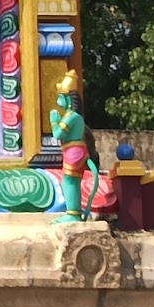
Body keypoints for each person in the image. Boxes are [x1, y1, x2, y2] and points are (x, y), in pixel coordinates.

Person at [49, 71, 97, 223]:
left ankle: (73, 213)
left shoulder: (72, 116)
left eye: (60, 97)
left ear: (68, 99)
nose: (58, 100)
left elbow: (57, 134)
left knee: (69, 181)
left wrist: (54, 121)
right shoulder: (74, 116)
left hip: (74, 152)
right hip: (74, 151)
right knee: (72, 181)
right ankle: (74, 211)